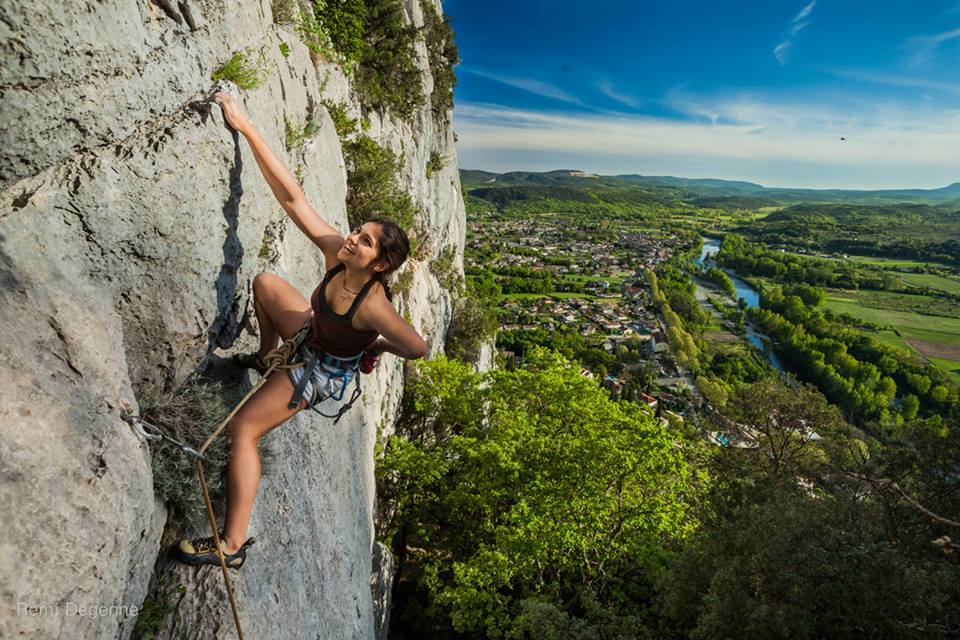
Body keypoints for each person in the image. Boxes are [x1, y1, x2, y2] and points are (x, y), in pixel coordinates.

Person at [173, 92, 428, 568]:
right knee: (267, 284)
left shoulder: (373, 305)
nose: (352, 238)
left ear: (382, 264)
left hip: (322, 369)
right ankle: (265, 357)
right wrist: (246, 126)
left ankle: (231, 545)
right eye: (357, 231)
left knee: (244, 430)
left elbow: (419, 347)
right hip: (309, 335)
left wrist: (374, 346)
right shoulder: (339, 257)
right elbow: (292, 198)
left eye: (365, 241)